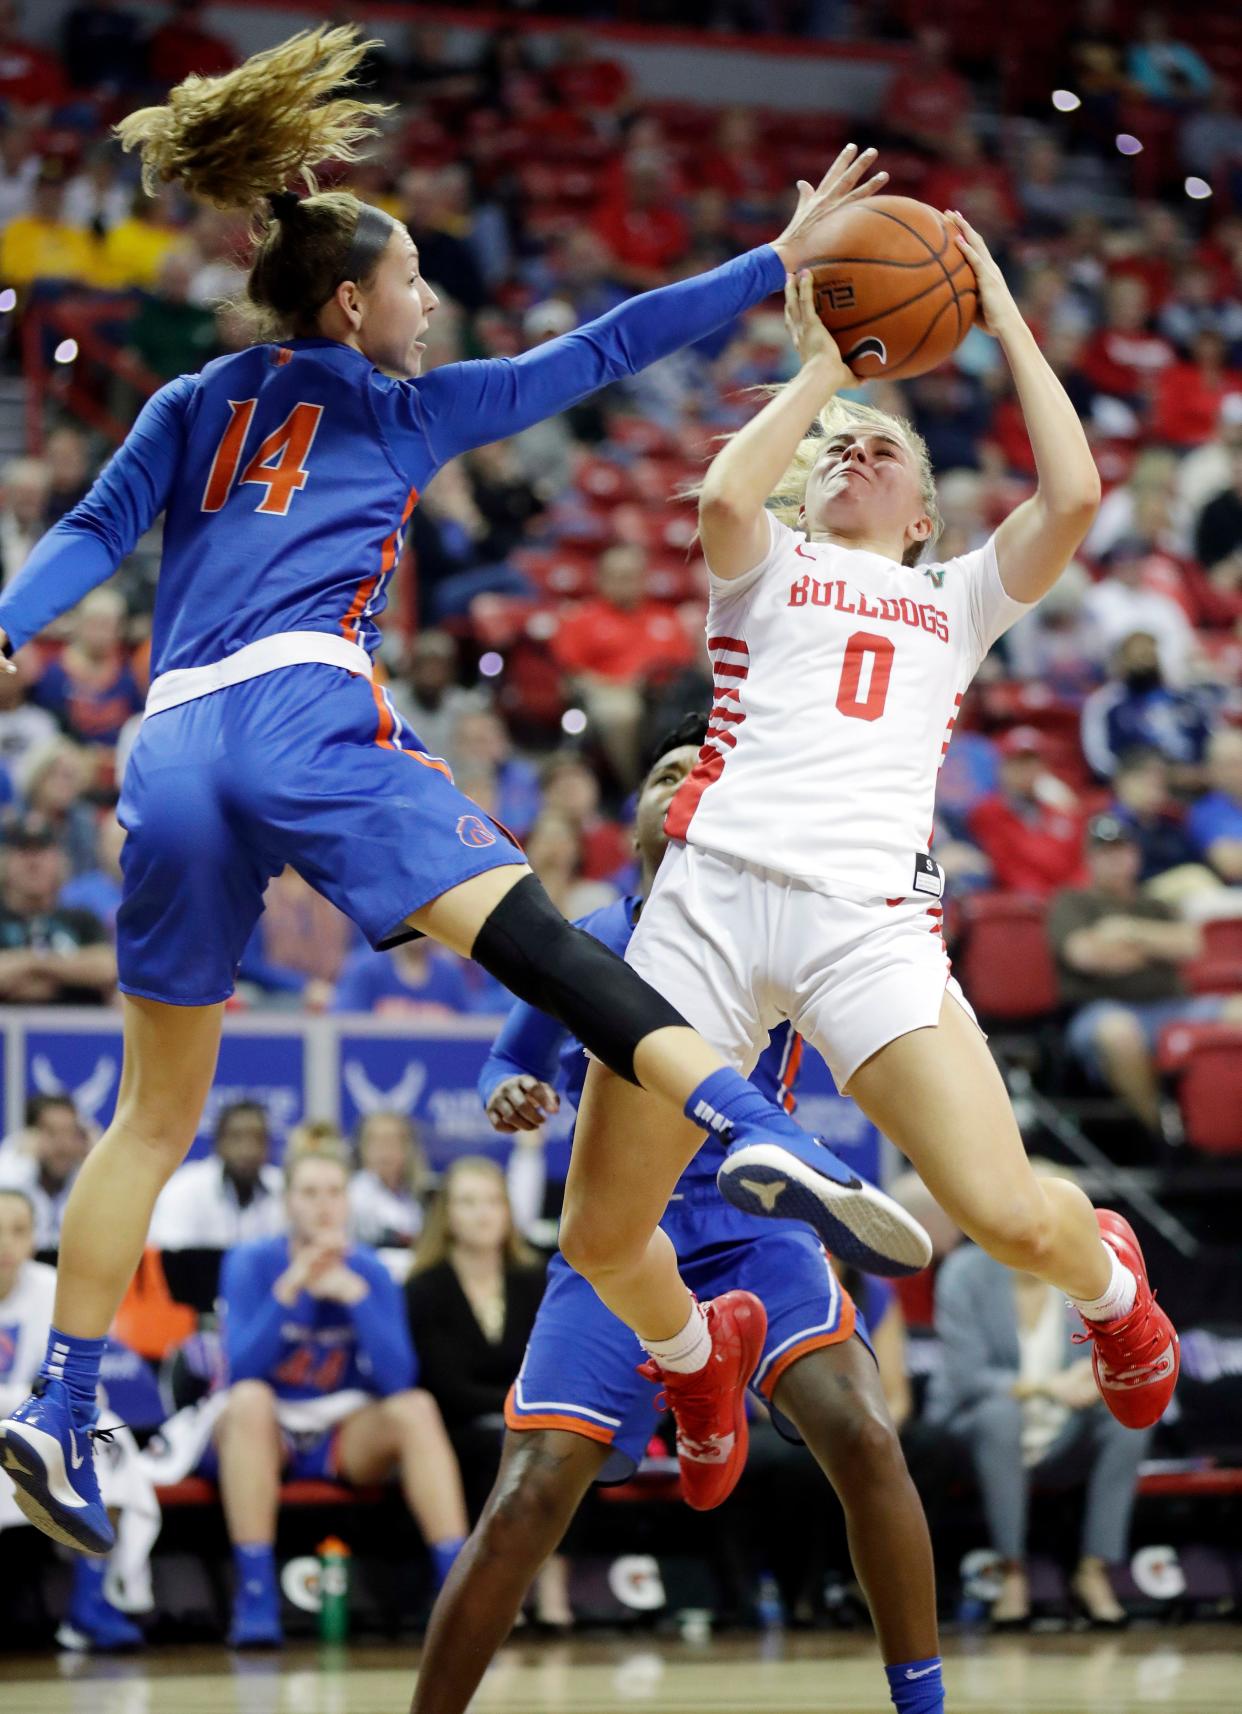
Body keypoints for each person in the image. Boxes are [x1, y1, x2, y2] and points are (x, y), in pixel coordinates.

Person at [0, 29, 914, 1561]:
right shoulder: (397, 406)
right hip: (302, 704)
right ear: (354, 305)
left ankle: (55, 1398)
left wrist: (9, 626)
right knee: (543, 938)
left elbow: (91, 536)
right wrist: (773, 255)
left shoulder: (186, 403)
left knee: (151, 1120)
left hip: (164, 742)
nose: (431, 302)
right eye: (413, 281)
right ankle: (754, 1122)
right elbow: (609, 350)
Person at [550, 211, 1179, 1557]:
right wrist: (830, 372)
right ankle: (692, 1350)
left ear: (928, 510)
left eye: (883, 444)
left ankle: (1110, 1278)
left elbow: (1069, 499)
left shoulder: (953, 597)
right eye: (838, 444)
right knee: (601, 1234)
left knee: (1006, 1213)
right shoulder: (765, 562)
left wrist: (1000, 314)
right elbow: (726, 495)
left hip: (864, 924)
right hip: (707, 904)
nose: (854, 449)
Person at [413, 718, 944, 1714]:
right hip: (621, 1235)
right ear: (637, 821)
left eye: (704, 769)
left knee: (868, 1439)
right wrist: (506, 1092)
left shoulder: (786, 925)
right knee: (527, 1493)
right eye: (663, 771)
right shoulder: (589, 942)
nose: (683, 783)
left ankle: (923, 1703)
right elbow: (507, 1059)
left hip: (757, 1224)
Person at [213, 1147, 468, 1646]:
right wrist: (290, 1289)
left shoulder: (370, 1269)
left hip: (342, 1431)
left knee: (417, 1409)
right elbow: (240, 1369)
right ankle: (256, 1595)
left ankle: (458, 1592)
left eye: (334, 1192)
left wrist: (357, 1300)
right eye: (309, 1193)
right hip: (267, 1429)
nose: (323, 1206)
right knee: (248, 1400)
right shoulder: (250, 1262)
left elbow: (399, 1378)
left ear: (349, 1202)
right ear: (287, 1202)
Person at [928, 1171, 1152, 1630]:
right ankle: (1013, 1572)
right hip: (975, 1431)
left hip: (1062, 1431)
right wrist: (1049, 1386)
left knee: (1129, 1418)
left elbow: (1114, 1353)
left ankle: (1093, 1570)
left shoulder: (1086, 1274)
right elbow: (967, 1380)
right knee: (999, 1415)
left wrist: (1100, 1379)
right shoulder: (964, 1273)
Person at [404, 1158, 566, 1622]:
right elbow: (444, 1384)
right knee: (492, 1449)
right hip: (459, 1424)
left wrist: (528, 1413)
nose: (482, 1213)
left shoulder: (537, 1278)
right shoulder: (425, 1287)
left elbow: (549, 1362)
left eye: (493, 1201)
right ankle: (494, 1589)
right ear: (447, 1215)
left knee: (571, 1447)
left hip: (529, 1415)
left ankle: (553, 1588)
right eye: (468, 1202)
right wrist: (516, 1412)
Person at [0, 1187, 147, 1652]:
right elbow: (42, 1391)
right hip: (23, 1425)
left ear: (34, 1238)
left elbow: (87, 1390)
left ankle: (91, 1603)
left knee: (109, 1436)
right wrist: (26, 1401)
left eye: (18, 1231)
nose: (5, 1243)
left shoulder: (57, 1290)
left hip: (34, 1431)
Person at [1048, 814, 1242, 1133]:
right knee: (1117, 1032)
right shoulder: (1072, 901)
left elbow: (1190, 945)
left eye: (1122, 850)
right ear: (1090, 858)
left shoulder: (1153, 903)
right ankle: (1165, 1129)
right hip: (1101, 1009)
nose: (1115, 860)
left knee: (1237, 1009)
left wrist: (1127, 930)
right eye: (1105, 852)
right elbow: (1085, 955)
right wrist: (1153, 947)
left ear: (1136, 855)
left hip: (1171, 1006)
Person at [0, 811, 116, 1004]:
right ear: (5, 861)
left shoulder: (80, 919)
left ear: (58, 860)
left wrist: (31, 962)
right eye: (23, 851)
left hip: (75, 1032)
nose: (33, 862)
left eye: (42, 851)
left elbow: (107, 967)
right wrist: (67, 974)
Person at [966, 726, 1086, 898]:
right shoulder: (987, 812)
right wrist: (1049, 899)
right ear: (1002, 767)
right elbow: (1006, 867)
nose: (1026, 770)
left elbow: (1080, 864)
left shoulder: (1062, 812)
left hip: (1068, 903)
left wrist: (1071, 898)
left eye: (1032, 762)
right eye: (1018, 763)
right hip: (1023, 906)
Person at [148, 1100, 284, 1251]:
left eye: (258, 1138)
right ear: (219, 1142)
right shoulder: (185, 1189)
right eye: (237, 1138)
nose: (248, 1149)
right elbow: (169, 1256)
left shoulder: (285, 1189)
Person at [0, 1096, 90, 1252]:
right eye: (52, 1133)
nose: (64, 1145)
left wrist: (98, 1155)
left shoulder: (85, 1171)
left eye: (72, 1133)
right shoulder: (11, 1165)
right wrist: (24, 1163)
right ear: (30, 1136)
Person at [348, 1111, 427, 1249]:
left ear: (407, 1150)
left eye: (391, 1142)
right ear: (363, 1149)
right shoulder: (353, 1193)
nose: (384, 1151)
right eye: (376, 1142)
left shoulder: (413, 1197)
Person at [1187, 727, 1242, 884]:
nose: (1239, 770)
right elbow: (1232, 866)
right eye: (1231, 764)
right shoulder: (1205, 813)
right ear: (1213, 770)